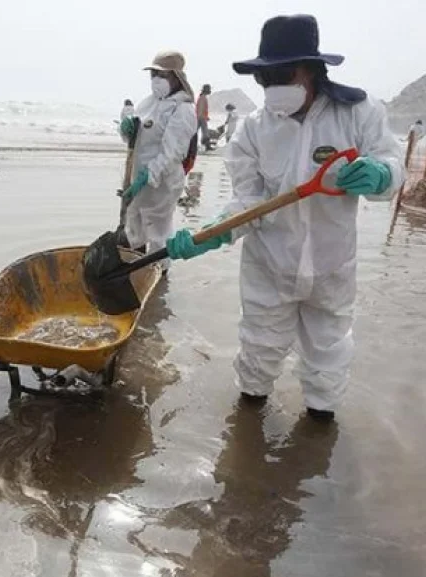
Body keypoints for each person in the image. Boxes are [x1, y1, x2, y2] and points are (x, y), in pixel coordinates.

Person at [165, 14, 403, 420]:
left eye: (282, 74)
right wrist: (211, 232)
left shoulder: (358, 112)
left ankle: (318, 431)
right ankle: (251, 411)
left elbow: (391, 164)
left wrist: (382, 175)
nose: (272, 86)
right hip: (269, 266)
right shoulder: (253, 131)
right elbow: (247, 201)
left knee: (328, 355)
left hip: (331, 266)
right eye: (265, 78)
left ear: (311, 69)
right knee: (258, 351)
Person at [117, 51, 197, 266]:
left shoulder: (184, 109)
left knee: (158, 231)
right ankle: (137, 269)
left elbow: (173, 153)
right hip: (138, 178)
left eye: (162, 75)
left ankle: (159, 274)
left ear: (176, 77)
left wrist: (148, 176)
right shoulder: (149, 103)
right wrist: (126, 128)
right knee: (134, 226)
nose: (156, 80)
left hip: (164, 182)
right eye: (153, 74)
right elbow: (136, 138)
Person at [197, 83, 212, 150]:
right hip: (201, 117)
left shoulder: (202, 97)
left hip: (201, 117)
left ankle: (206, 145)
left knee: (196, 131)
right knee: (205, 132)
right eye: (209, 89)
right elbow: (201, 108)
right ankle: (207, 146)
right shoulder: (203, 98)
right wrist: (201, 117)